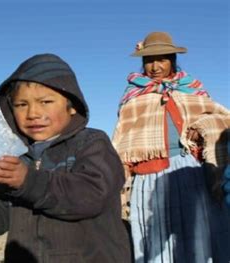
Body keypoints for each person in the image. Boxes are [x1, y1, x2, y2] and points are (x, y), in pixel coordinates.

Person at [0, 54, 131, 262]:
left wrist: (29, 181)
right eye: (21, 104)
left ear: (72, 107)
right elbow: (0, 215)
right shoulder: (14, 158)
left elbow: (92, 196)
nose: (33, 112)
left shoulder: (91, 143)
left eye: (46, 101)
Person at [112, 31, 230, 262]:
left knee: (200, 231)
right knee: (156, 234)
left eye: (162, 59)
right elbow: (124, 136)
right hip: (149, 176)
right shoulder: (134, 95)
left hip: (190, 171)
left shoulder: (192, 90)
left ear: (173, 60)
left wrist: (204, 125)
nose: (155, 66)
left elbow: (223, 118)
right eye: (149, 60)